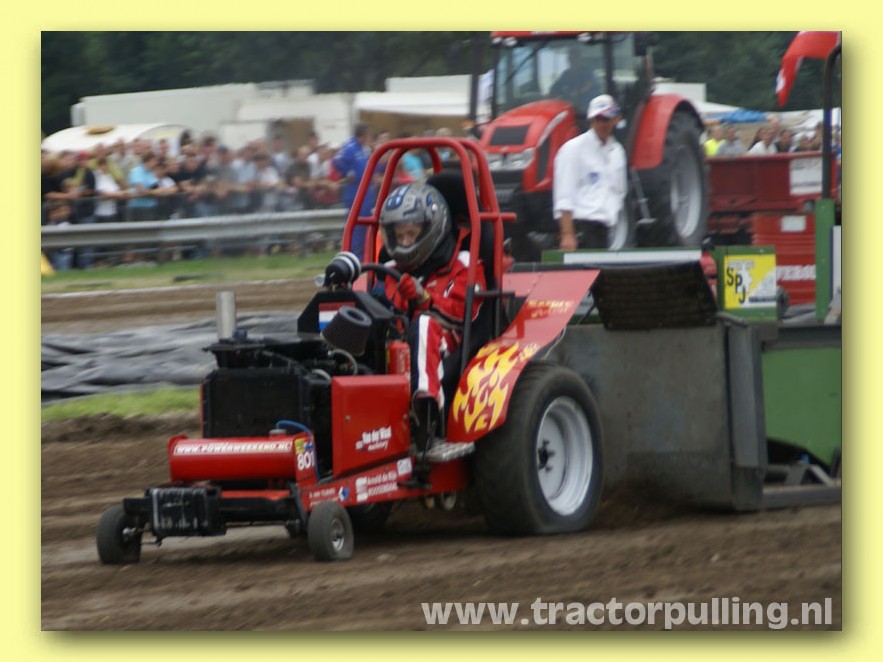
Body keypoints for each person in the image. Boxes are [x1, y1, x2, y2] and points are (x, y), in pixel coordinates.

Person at [376, 182, 485, 474]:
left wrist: (424, 298)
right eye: (398, 235)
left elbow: (463, 314)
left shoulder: (464, 263)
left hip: (449, 339)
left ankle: (425, 420)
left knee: (423, 325)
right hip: (400, 338)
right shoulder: (389, 269)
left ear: (431, 229)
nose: (404, 242)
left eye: (411, 234)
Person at [553, 94, 627, 250]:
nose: (602, 124)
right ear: (591, 121)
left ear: (615, 119)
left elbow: (619, 190)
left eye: (606, 119)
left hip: (605, 228)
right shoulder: (573, 149)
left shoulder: (617, 152)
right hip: (582, 227)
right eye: (598, 119)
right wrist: (568, 234)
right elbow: (564, 195)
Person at [333, 122, 375, 258]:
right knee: (356, 225)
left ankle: (363, 256)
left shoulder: (362, 149)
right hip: (355, 191)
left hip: (365, 191)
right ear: (363, 135)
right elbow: (336, 160)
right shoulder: (350, 147)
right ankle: (354, 255)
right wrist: (348, 173)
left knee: (364, 225)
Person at [550, 46, 599, 114]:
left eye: (575, 57)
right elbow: (557, 86)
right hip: (569, 105)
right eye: (571, 58)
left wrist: (578, 92)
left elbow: (588, 84)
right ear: (568, 59)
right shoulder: (566, 74)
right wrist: (552, 93)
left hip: (586, 107)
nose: (573, 60)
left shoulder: (586, 71)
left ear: (579, 58)